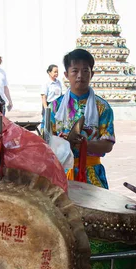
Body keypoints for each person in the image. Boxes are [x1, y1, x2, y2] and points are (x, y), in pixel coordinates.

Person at [46, 49, 114, 189]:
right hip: (60, 173)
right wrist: (61, 143)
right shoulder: (54, 107)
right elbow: (44, 141)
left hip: (91, 172)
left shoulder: (102, 107)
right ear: (66, 75)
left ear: (92, 74)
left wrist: (85, 144)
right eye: (75, 71)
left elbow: (108, 145)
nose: (80, 76)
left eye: (85, 71)